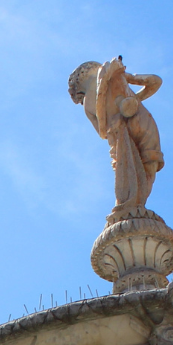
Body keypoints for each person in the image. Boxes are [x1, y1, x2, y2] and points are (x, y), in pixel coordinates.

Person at [70, 57, 166, 222]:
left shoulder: (88, 103)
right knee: (150, 165)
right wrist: (133, 91)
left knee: (128, 168)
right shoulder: (117, 74)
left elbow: (102, 132)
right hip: (142, 120)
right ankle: (137, 206)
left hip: (119, 131)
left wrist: (112, 109)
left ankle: (131, 206)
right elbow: (156, 82)